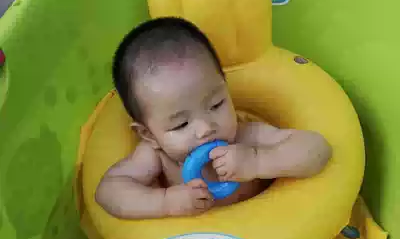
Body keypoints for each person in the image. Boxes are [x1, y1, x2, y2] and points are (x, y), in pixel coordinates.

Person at [95, 17, 332, 219]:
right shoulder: (155, 156)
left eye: (216, 105)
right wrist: (165, 202)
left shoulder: (246, 135)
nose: (205, 128)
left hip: (263, 234)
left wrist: (258, 161)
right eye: (181, 124)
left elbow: (318, 150)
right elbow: (108, 192)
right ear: (148, 134)